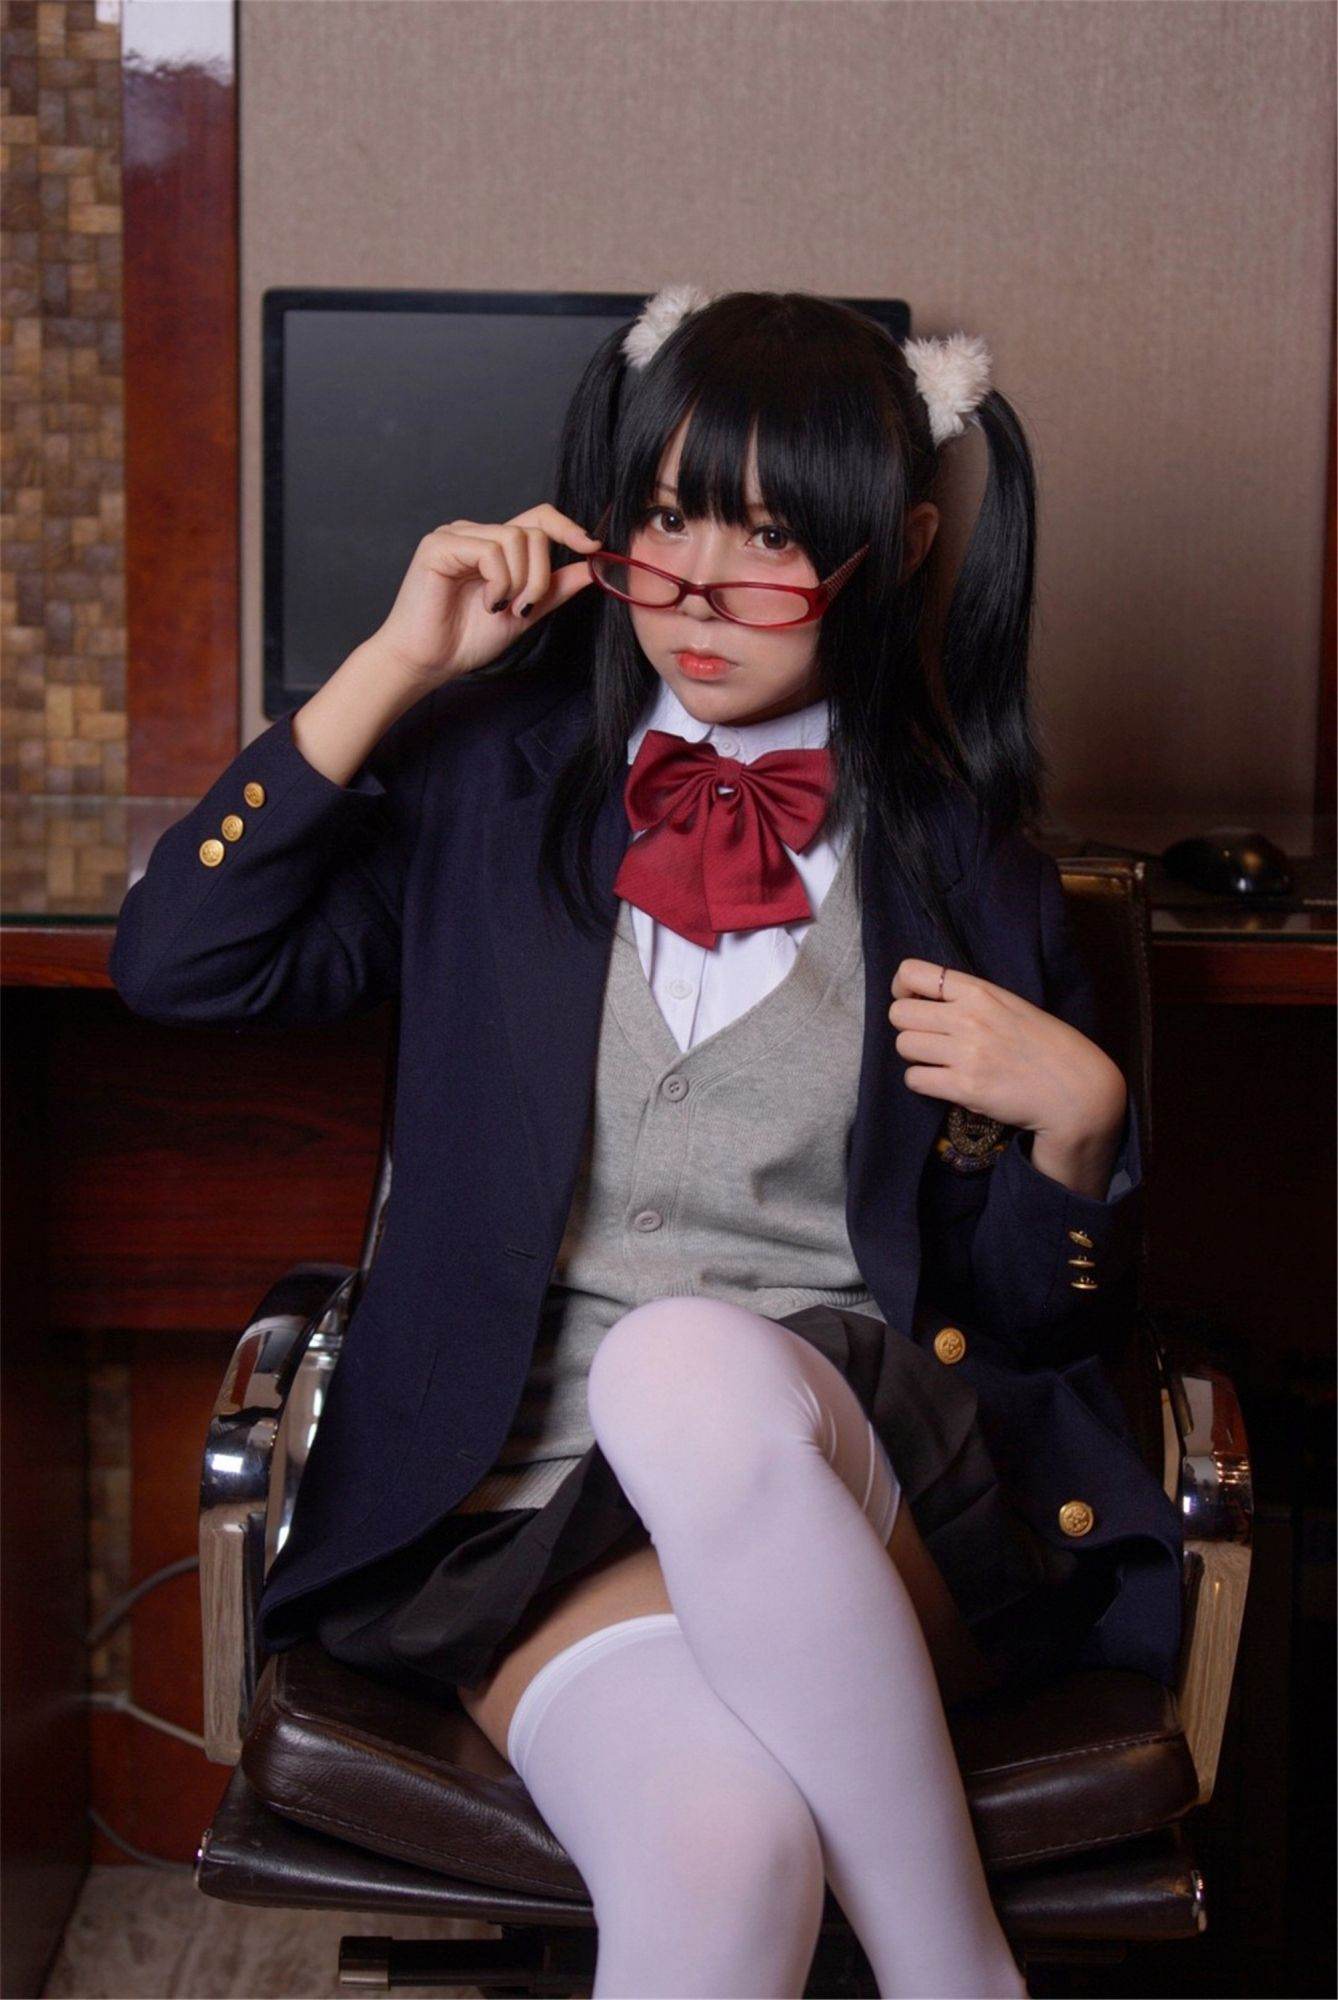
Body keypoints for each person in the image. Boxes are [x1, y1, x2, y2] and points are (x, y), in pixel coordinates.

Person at [111, 286, 1184, 1998]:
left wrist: (1079, 1125)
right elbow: (180, 963)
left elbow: (1032, 1321)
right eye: (668, 518)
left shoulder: (971, 874)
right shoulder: (487, 788)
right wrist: (395, 666)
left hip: (874, 1490)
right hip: (527, 1507)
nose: (696, 588)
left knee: (685, 1363)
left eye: (771, 538)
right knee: (720, 1852)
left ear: (896, 550)